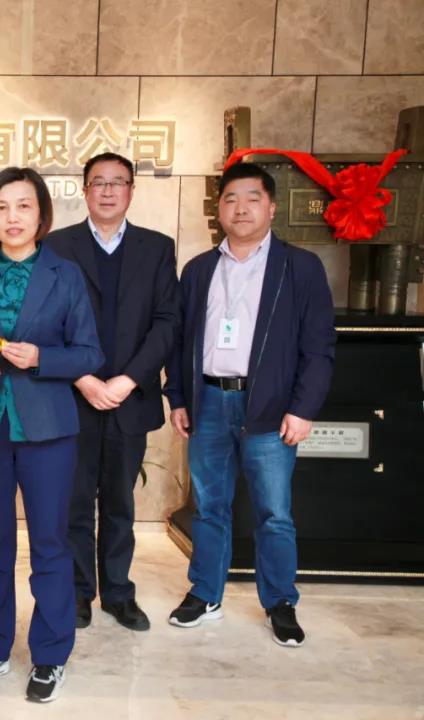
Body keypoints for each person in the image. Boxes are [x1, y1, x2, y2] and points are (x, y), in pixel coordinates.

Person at [0, 167, 103, 703]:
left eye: (23, 206)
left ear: (41, 215)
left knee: (50, 545)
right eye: (1, 207)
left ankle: (51, 655)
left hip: (49, 429)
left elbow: (89, 354)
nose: (12, 217)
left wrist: (41, 358)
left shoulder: (65, 274)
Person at [164, 161, 335, 647]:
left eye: (252, 198)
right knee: (208, 505)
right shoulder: (199, 269)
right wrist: (178, 397)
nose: (241, 208)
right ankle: (205, 593)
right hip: (208, 402)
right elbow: (180, 342)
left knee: (274, 512)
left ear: (272, 207)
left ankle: (280, 602)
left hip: (270, 407)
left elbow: (319, 347)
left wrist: (303, 409)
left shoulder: (299, 267)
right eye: (231, 199)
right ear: (219, 209)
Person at [44, 152, 180, 632]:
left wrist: (128, 380)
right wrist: (83, 377)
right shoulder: (56, 245)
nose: (107, 191)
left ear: (131, 191)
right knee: (75, 503)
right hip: (72, 397)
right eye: (98, 182)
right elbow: (46, 321)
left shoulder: (157, 248)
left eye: (117, 182)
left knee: (121, 503)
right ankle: (80, 592)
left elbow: (167, 322)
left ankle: (118, 594)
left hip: (129, 397)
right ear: (84, 190)